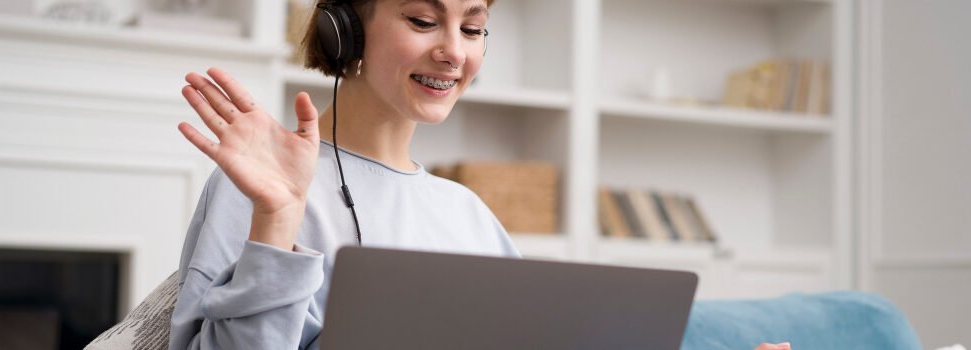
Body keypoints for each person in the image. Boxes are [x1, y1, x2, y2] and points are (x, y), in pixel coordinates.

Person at [168, 0, 791, 349]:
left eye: (472, 28)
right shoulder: (256, 189)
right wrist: (277, 219)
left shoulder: (466, 212)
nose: (455, 52)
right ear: (344, 31)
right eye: (422, 21)